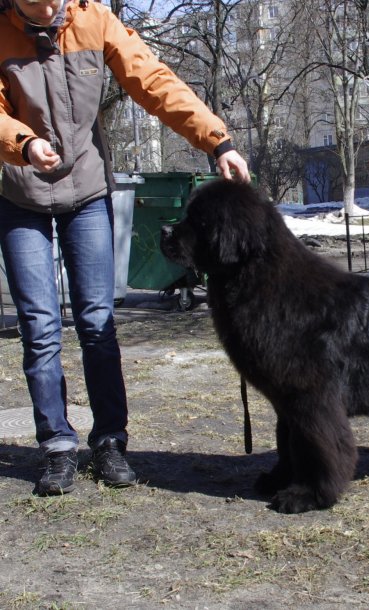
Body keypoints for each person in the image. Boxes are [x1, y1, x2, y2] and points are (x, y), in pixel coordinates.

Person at [0, 0, 250, 496]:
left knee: (96, 322)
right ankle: (55, 446)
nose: (51, 6)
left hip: (87, 194)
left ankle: (110, 440)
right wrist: (23, 143)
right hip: (19, 194)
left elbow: (154, 81)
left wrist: (217, 142)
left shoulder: (93, 19)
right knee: (40, 328)